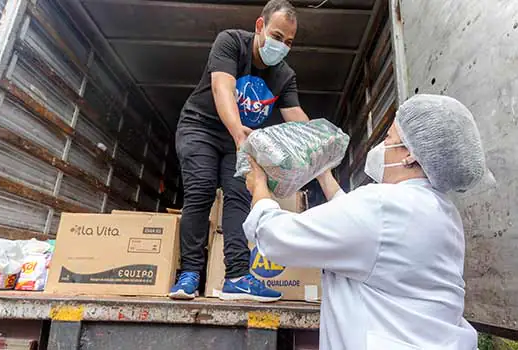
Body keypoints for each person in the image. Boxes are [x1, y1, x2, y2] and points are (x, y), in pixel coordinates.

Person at [244, 94, 486, 349]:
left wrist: (259, 188)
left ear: (410, 156)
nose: (382, 146)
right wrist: (322, 173)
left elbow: (278, 237)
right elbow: (366, 235)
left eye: (388, 138)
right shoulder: (443, 214)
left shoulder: (383, 206)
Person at [170, 0, 313, 302]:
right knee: (201, 189)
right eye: (276, 37)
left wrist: (321, 144)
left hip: (243, 140)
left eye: (289, 42)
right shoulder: (231, 42)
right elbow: (223, 88)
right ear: (260, 26)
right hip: (202, 128)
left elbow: (295, 114)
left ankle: (237, 277)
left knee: (239, 198)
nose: (282, 46)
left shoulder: (284, 75)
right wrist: (238, 135)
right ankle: (189, 274)